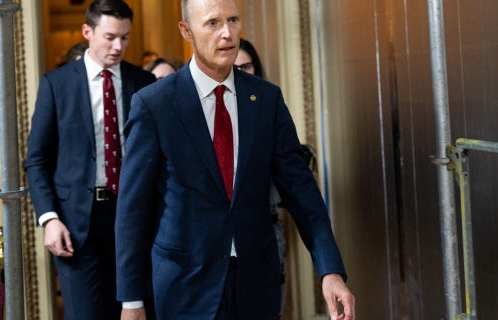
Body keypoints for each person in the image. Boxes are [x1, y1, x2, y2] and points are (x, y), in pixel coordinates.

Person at [115, 0, 355, 319]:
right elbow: (133, 210)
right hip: (184, 286)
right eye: (213, 23)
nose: (227, 33)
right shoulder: (154, 104)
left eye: (233, 20)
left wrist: (330, 271)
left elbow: (303, 193)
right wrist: (131, 301)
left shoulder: (266, 99)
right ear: (186, 30)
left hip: (257, 284)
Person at [24, 1, 156, 319]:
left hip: (134, 216)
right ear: (87, 31)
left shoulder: (145, 84)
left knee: (136, 312)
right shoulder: (56, 85)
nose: (118, 46)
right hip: (76, 224)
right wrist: (49, 218)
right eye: (110, 36)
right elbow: (36, 160)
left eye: (125, 37)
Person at [236, 37, 288, 308]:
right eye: (235, 68)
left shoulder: (268, 103)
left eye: (247, 67)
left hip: (266, 224)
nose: (241, 73)